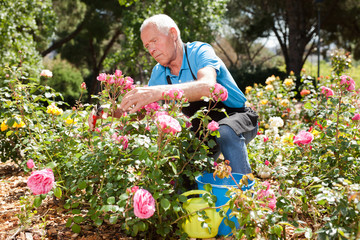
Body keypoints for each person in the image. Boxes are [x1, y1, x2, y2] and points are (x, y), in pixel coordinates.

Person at [118, 14, 258, 174]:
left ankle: (244, 194)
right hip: (203, 131)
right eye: (147, 46)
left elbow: (208, 86)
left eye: (154, 41)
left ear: (173, 34)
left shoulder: (199, 52)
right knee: (184, 159)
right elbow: (141, 110)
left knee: (225, 132)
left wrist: (157, 92)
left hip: (239, 118)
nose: (151, 50)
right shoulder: (159, 72)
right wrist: (104, 112)